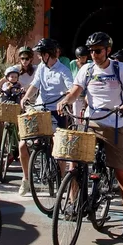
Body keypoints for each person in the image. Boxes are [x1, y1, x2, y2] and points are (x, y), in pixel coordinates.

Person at [57, 31, 123, 239]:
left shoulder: (119, 68)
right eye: (91, 51)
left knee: (120, 173)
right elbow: (76, 90)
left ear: (108, 50)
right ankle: (74, 202)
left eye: (98, 51)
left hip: (114, 124)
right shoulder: (86, 69)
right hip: (91, 123)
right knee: (74, 160)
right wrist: (66, 100)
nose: (94, 54)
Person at [19, 38, 74, 195]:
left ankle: (61, 179)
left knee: (59, 145)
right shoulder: (41, 68)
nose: (38, 57)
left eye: (40, 54)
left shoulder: (64, 70)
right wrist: (26, 98)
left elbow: (71, 89)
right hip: (40, 109)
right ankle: (26, 180)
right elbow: (35, 85)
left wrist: (65, 100)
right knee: (23, 145)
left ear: (48, 54)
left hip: (57, 111)